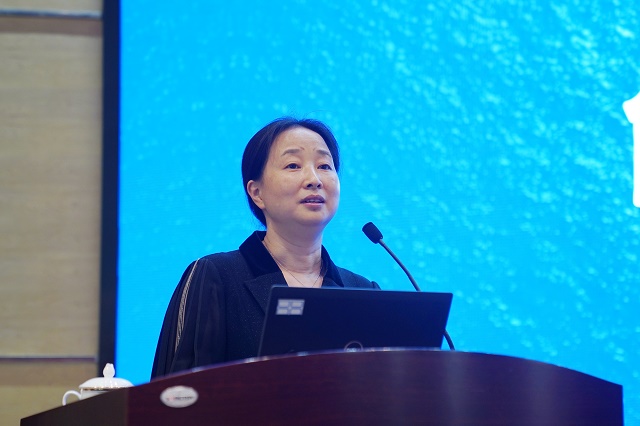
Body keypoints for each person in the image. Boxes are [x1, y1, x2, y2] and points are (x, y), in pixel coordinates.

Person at [151, 117, 379, 379]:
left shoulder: (363, 292)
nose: (314, 179)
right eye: (293, 165)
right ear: (256, 193)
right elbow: (177, 393)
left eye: (324, 166)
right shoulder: (216, 277)